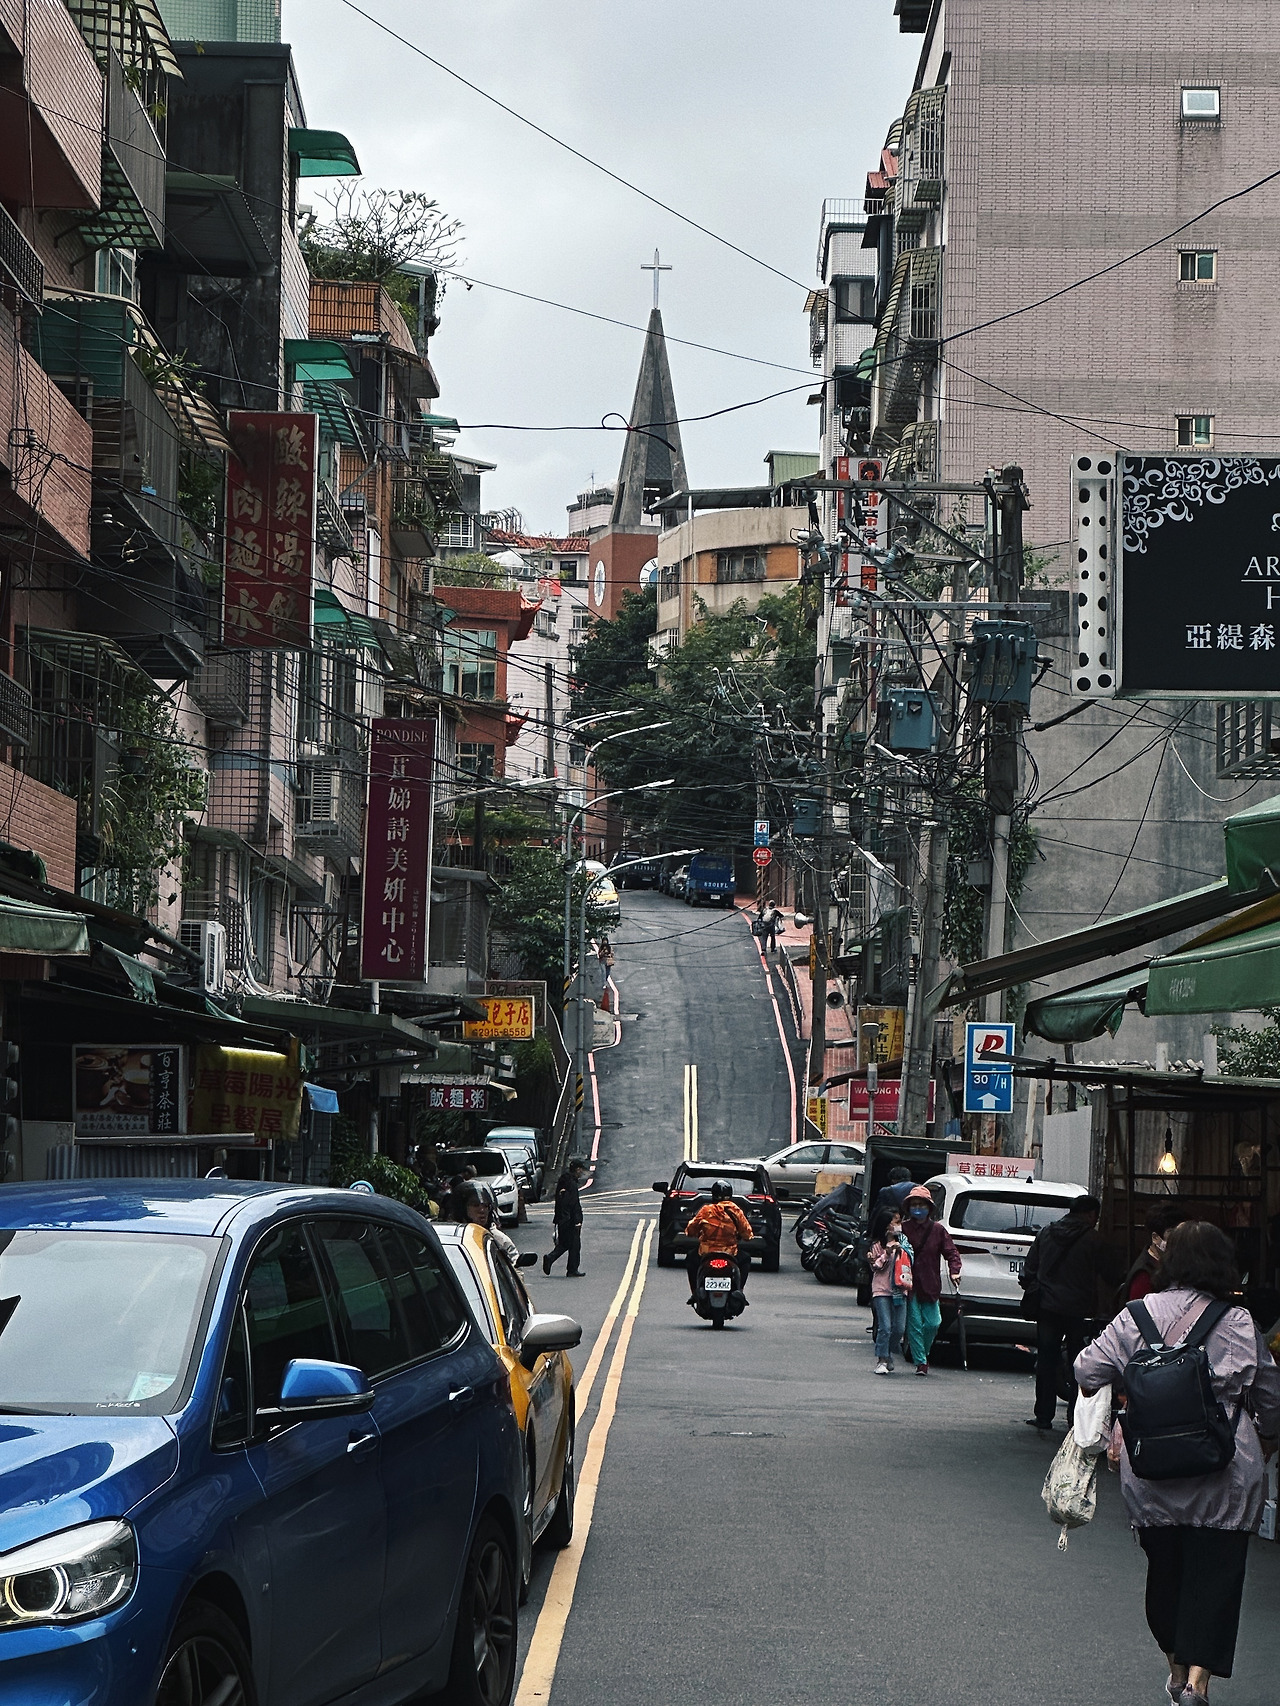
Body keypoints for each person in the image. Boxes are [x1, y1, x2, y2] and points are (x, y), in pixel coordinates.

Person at [1075, 1221, 1280, 1705]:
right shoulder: (1239, 1322)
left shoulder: (1136, 1315)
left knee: (1165, 1574)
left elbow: (1086, 1370)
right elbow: (1271, 1397)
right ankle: (1197, 1683)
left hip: (1153, 1472)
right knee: (1217, 1577)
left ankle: (1175, 1671)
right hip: (1227, 1469)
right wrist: (1268, 1436)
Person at [1022, 1194, 1102, 1432]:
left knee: (1046, 1360)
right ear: (1091, 1214)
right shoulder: (1094, 1240)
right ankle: (1075, 1417)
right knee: (1081, 1363)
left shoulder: (1046, 1233)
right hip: (1080, 1310)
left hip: (1047, 1307)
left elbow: (1029, 1269)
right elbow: (1110, 1273)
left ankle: (1043, 1415)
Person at [900, 1185, 961, 1375]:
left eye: (921, 1205)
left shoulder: (938, 1230)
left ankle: (923, 1353)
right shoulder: (902, 1229)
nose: (917, 1208)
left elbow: (951, 1252)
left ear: (929, 1208)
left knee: (933, 1323)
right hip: (908, 1284)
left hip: (930, 1284)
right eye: (914, 1205)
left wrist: (954, 1271)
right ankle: (921, 1362)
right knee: (915, 1325)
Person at [682, 1181, 754, 1301]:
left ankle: (695, 1293)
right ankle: (739, 1291)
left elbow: (690, 1230)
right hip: (730, 1253)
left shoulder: (706, 1210)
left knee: (691, 1259)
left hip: (706, 1253)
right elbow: (747, 1234)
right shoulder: (736, 1211)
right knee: (746, 1259)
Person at [867, 1204, 913, 1374]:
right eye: (895, 1222)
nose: (897, 1226)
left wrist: (902, 1251)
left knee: (899, 1328)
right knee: (885, 1327)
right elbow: (875, 1267)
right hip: (881, 1290)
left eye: (899, 1222)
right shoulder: (877, 1245)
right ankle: (882, 1359)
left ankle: (889, 1353)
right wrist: (886, 1253)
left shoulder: (904, 1242)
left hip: (900, 1289)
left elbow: (911, 1260)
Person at [1119, 1203, 1182, 1307]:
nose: (1178, 1241)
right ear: (1155, 1237)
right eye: (1172, 1235)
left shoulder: (1168, 1263)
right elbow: (1139, 1313)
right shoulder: (1143, 1274)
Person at [544, 1158, 588, 1277]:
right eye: (581, 1170)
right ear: (577, 1169)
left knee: (565, 1243)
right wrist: (577, 1220)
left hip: (562, 1219)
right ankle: (570, 1268)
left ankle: (552, 1259)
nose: (581, 1172)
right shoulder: (571, 1184)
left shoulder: (564, 1181)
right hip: (569, 1220)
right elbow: (573, 1204)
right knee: (574, 1245)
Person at [458, 1184, 521, 1265]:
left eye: (485, 1205)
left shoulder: (500, 1239)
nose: (482, 1210)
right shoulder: (453, 1239)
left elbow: (515, 1266)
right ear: (463, 1209)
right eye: (475, 1205)